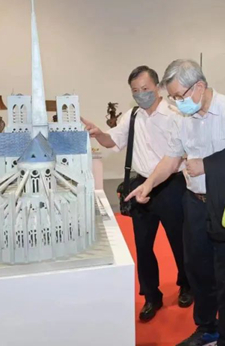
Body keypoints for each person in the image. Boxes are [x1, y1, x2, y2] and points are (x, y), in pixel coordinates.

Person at [126, 60, 225, 346]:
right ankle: (207, 328)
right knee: (198, 271)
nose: (176, 103)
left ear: (199, 86)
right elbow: (171, 158)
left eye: (179, 96)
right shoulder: (182, 117)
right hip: (194, 203)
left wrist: (207, 166)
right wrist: (148, 185)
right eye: (173, 97)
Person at [82, 66, 193, 322]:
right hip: (141, 185)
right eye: (135, 90)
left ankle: (187, 285)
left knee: (179, 241)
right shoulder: (132, 116)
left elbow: (178, 155)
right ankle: (151, 296)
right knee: (143, 245)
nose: (141, 94)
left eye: (145, 88)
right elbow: (113, 141)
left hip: (171, 185)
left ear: (157, 87)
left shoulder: (175, 115)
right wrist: (98, 133)